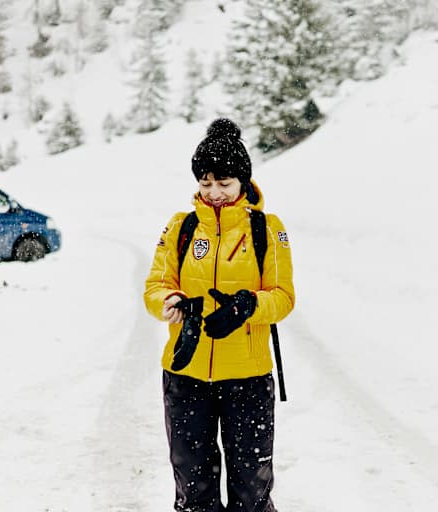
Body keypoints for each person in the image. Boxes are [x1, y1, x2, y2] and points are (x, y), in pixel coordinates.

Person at [144, 118, 295, 512]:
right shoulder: (181, 227)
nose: (214, 192)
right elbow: (155, 285)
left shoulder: (267, 229)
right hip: (186, 374)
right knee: (193, 491)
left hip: (247, 378)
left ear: (243, 181)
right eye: (206, 182)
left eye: (224, 183)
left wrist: (248, 307)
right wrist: (171, 301)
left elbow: (282, 297)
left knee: (251, 493)